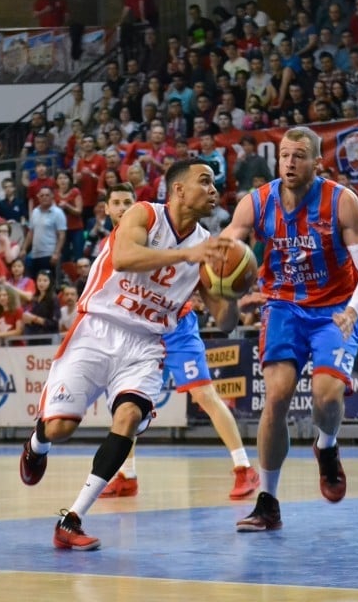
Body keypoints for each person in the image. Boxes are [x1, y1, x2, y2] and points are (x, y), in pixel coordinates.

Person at [18, 162, 238, 550]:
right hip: (98, 328)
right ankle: (38, 442)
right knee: (60, 429)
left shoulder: (206, 245)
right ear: (178, 190)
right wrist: (186, 256)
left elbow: (224, 321)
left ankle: (72, 519)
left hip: (146, 342)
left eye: (215, 183)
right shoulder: (144, 214)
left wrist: (234, 287)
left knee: (130, 417)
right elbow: (123, 258)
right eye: (204, 181)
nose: (213, 188)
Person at [221, 127, 358, 531]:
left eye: (299, 156)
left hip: (335, 309)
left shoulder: (343, 202)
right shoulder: (255, 203)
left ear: (317, 163)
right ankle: (268, 501)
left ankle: (326, 447)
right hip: (283, 306)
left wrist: (353, 310)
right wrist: (226, 286)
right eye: (284, 156)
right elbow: (221, 253)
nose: (290, 163)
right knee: (275, 397)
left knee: (326, 398)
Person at [94, 184, 259, 500]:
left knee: (204, 395)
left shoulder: (158, 228)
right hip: (137, 329)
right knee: (125, 404)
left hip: (176, 325)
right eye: (116, 202)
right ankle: (126, 474)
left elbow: (197, 276)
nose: (123, 208)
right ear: (106, 209)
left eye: (129, 202)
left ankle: (244, 468)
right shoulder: (110, 245)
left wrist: (229, 294)